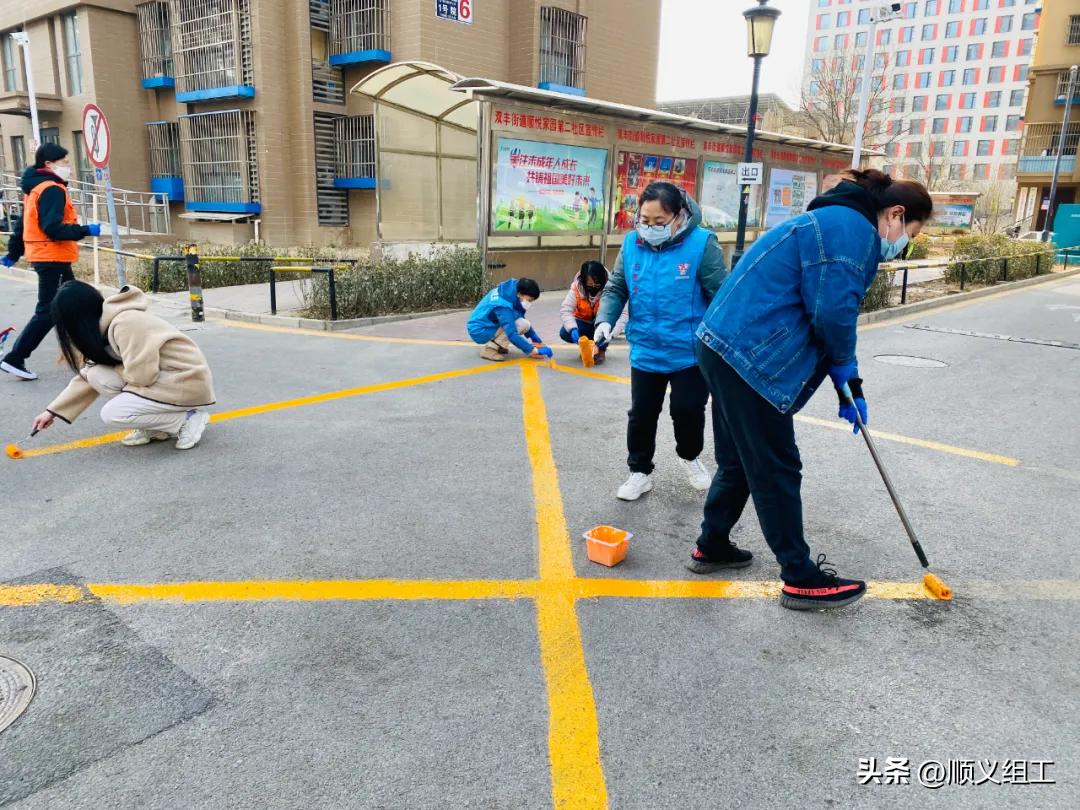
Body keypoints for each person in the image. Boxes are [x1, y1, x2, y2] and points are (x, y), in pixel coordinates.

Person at [687, 169, 933, 611]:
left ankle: (713, 544)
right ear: (896, 214)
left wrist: (844, 379)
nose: (901, 243)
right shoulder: (853, 229)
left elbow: (820, 303)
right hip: (747, 355)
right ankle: (800, 576)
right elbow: (833, 311)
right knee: (776, 465)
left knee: (740, 459)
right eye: (909, 232)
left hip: (723, 345)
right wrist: (846, 372)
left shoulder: (833, 220)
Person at [594, 181, 729, 501]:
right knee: (641, 413)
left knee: (687, 410)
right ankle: (639, 472)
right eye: (644, 220)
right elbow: (616, 288)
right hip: (646, 349)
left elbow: (722, 296)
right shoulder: (630, 245)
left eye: (659, 222)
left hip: (690, 352)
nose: (649, 228)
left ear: (679, 216)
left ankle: (690, 456)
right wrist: (605, 321)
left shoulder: (701, 244)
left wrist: (725, 342)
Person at [30, 282, 216, 450]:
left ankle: (187, 419)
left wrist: (118, 371)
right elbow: (87, 376)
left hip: (184, 380)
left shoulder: (126, 323)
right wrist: (51, 412)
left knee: (114, 413)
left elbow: (143, 376)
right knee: (95, 375)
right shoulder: (103, 328)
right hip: (165, 379)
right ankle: (154, 426)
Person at [1, 144, 101, 381]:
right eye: (65, 162)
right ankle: (15, 358)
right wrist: (86, 229)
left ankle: (93, 353)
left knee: (74, 304)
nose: (69, 168)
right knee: (49, 311)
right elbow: (53, 228)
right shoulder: (52, 189)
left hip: (52, 257)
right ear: (49, 164)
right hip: (52, 256)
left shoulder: (35, 188)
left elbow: (22, 226)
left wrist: (13, 254)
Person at [467, 277, 553, 363]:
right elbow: (511, 333)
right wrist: (534, 350)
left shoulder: (510, 291)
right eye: (529, 300)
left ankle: (499, 345)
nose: (530, 303)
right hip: (480, 330)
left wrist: (533, 336)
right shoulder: (503, 305)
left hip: (487, 325)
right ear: (520, 294)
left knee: (524, 324)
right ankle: (489, 349)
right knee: (520, 325)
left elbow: (516, 316)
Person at [558, 260, 627, 365]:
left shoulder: (612, 288)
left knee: (609, 324)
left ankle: (601, 349)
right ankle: (587, 347)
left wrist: (611, 334)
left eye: (597, 284)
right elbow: (566, 309)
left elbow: (623, 314)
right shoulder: (576, 287)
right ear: (583, 281)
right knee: (565, 332)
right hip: (584, 324)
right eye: (589, 285)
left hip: (602, 324)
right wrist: (573, 329)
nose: (593, 287)